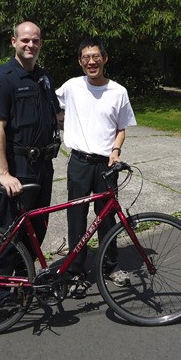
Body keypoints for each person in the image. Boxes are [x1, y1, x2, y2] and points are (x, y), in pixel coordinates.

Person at [0, 21, 62, 310]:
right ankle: (1, 295)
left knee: (36, 227)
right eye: (25, 40)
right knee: (9, 230)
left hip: (44, 166)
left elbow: (57, 115)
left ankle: (22, 282)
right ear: (14, 41)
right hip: (18, 167)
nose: (30, 45)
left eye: (36, 40)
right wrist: (4, 174)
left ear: (41, 43)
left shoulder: (43, 78)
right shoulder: (2, 79)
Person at [56, 36, 137, 298]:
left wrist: (116, 151)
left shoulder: (118, 92)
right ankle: (75, 272)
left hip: (106, 164)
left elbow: (121, 128)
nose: (91, 62)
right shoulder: (71, 87)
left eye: (96, 57)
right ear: (80, 62)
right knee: (76, 219)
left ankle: (111, 266)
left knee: (107, 217)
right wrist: (62, 125)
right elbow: (52, 107)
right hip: (79, 162)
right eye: (86, 58)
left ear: (105, 58)